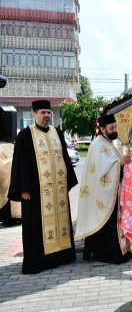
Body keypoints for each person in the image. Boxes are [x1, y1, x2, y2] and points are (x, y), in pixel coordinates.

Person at [8, 100, 78, 274]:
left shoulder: (57, 133)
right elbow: (20, 164)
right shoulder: (25, 135)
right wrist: (23, 188)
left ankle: (62, 256)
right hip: (36, 192)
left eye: (48, 112)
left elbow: (65, 158)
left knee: (61, 222)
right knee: (36, 227)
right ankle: (37, 262)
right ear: (34, 114)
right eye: (42, 112)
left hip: (58, 191)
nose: (46, 115)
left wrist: (68, 180)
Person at [75, 114, 132, 264]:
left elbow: (118, 161)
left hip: (116, 190)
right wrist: (119, 163)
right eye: (111, 128)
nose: (114, 130)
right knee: (107, 224)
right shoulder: (96, 145)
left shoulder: (115, 142)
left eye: (115, 127)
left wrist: (127, 159)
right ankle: (107, 253)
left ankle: (123, 250)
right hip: (101, 194)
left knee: (117, 222)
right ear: (103, 129)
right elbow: (99, 171)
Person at [0, 141, 21, 226]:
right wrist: (14, 163)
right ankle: (7, 218)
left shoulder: (16, 146)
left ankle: (18, 217)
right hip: (6, 179)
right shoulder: (1, 147)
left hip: (16, 178)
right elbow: (2, 164)